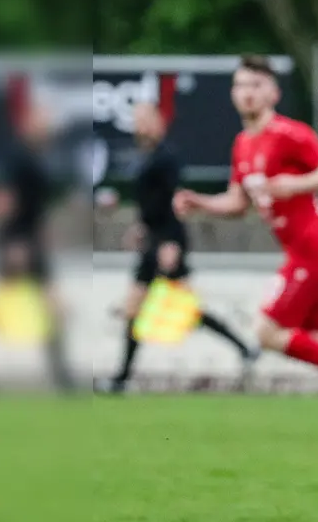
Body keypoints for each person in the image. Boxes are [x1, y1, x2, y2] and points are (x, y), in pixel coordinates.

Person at [173, 55, 318, 439]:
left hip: (316, 250)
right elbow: (236, 202)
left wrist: (291, 185)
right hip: (307, 253)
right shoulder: (243, 144)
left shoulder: (289, 134)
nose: (247, 93)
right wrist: (199, 202)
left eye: (256, 85)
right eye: (241, 85)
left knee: (265, 331)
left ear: (274, 92)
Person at [99, 101, 257, 393]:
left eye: (146, 119)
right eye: (137, 119)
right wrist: (140, 228)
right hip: (153, 240)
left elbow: (174, 203)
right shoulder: (146, 158)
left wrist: (170, 243)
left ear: (159, 122)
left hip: (166, 242)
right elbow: (151, 204)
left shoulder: (167, 158)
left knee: (185, 309)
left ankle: (245, 348)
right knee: (137, 308)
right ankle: (121, 378)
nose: (140, 125)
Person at [0, 101, 75, 391]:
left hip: (31, 242)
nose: (48, 127)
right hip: (19, 244)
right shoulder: (19, 158)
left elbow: (33, 206)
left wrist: (43, 233)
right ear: (27, 124)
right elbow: (9, 202)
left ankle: (64, 381)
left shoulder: (38, 159)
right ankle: (65, 383)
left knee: (47, 310)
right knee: (11, 310)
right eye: (41, 120)